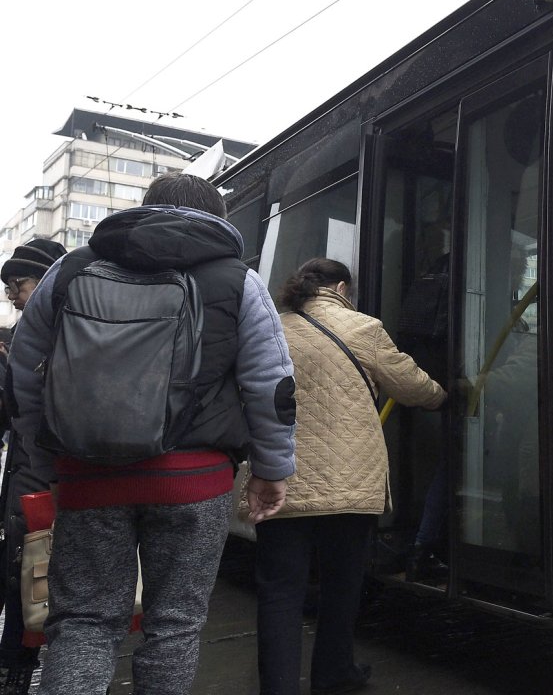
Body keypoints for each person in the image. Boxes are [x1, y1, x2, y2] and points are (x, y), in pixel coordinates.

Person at [7, 174, 296, 695]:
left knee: (84, 622)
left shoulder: (72, 268)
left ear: (145, 209)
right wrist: (272, 470)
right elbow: (270, 384)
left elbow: (25, 373)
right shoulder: (238, 278)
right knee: (175, 626)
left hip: (88, 475)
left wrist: (47, 463)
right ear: (220, 217)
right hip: (196, 480)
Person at [256, 258, 446, 695]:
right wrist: (445, 395)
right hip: (349, 482)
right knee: (342, 585)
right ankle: (333, 673)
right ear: (341, 288)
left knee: (280, 592)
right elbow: (411, 385)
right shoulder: (363, 327)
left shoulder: (270, 327)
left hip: (281, 478)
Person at [0, 238, 66, 693]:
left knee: (26, 574)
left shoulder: (40, 332)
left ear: (44, 279)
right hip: (39, 473)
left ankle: (17, 667)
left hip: (38, 477)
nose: (10, 294)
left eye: (17, 283)